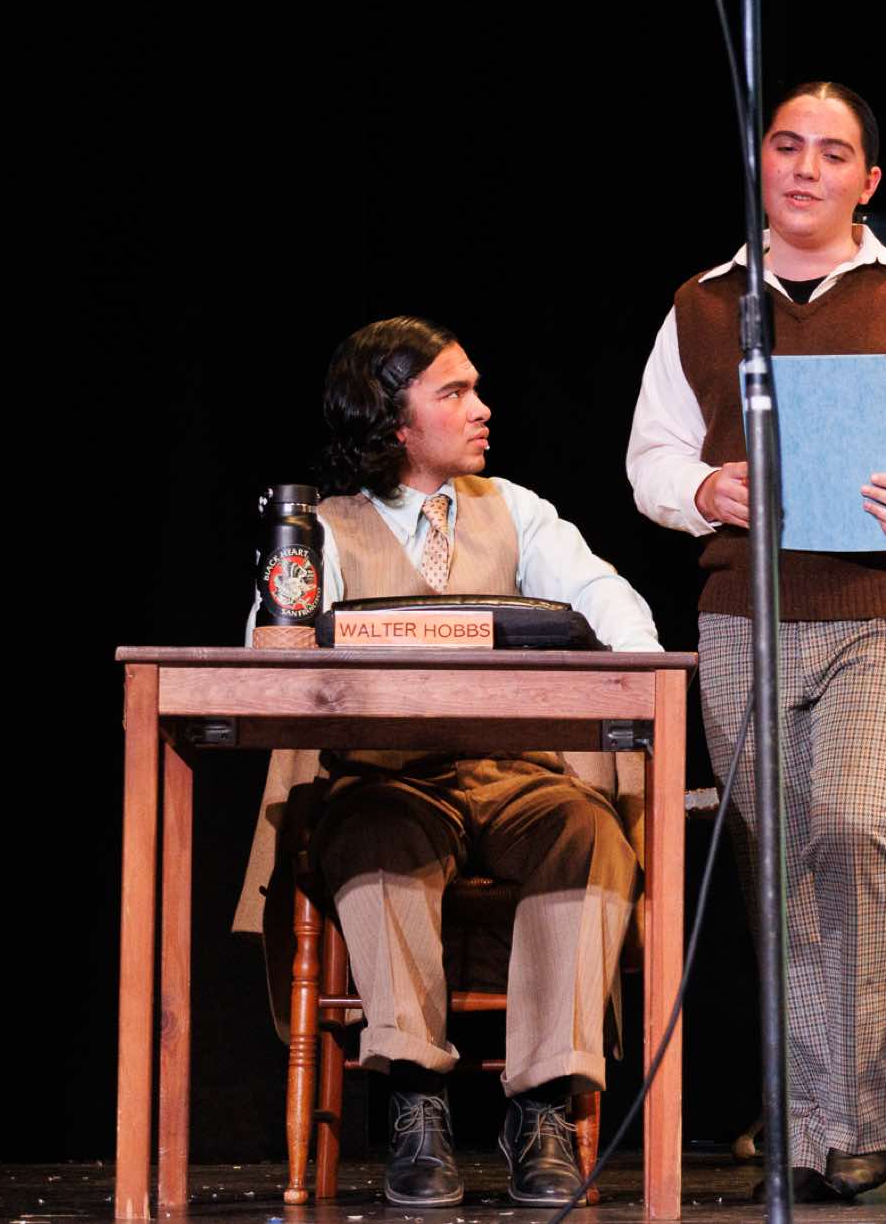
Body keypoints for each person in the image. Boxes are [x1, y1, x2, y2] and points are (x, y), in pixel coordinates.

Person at [626, 81, 886, 1202]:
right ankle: (815, 1124)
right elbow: (651, 457)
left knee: (854, 824)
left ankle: (852, 1113)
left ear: (868, 180)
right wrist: (702, 488)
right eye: (786, 145)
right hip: (745, 613)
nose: (805, 167)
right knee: (779, 859)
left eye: (833, 152)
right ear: (761, 162)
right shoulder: (704, 304)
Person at [233, 316, 662, 1208]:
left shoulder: (515, 508)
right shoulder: (328, 528)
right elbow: (271, 647)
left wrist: (639, 666)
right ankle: (415, 1101)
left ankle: (542, 1107)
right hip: (387, 778)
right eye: (455, 392)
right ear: (394, 420)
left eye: (476, 388)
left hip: (514, 775)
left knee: (589, 835)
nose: (481, 408)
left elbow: (599, 592)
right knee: (376, 840)